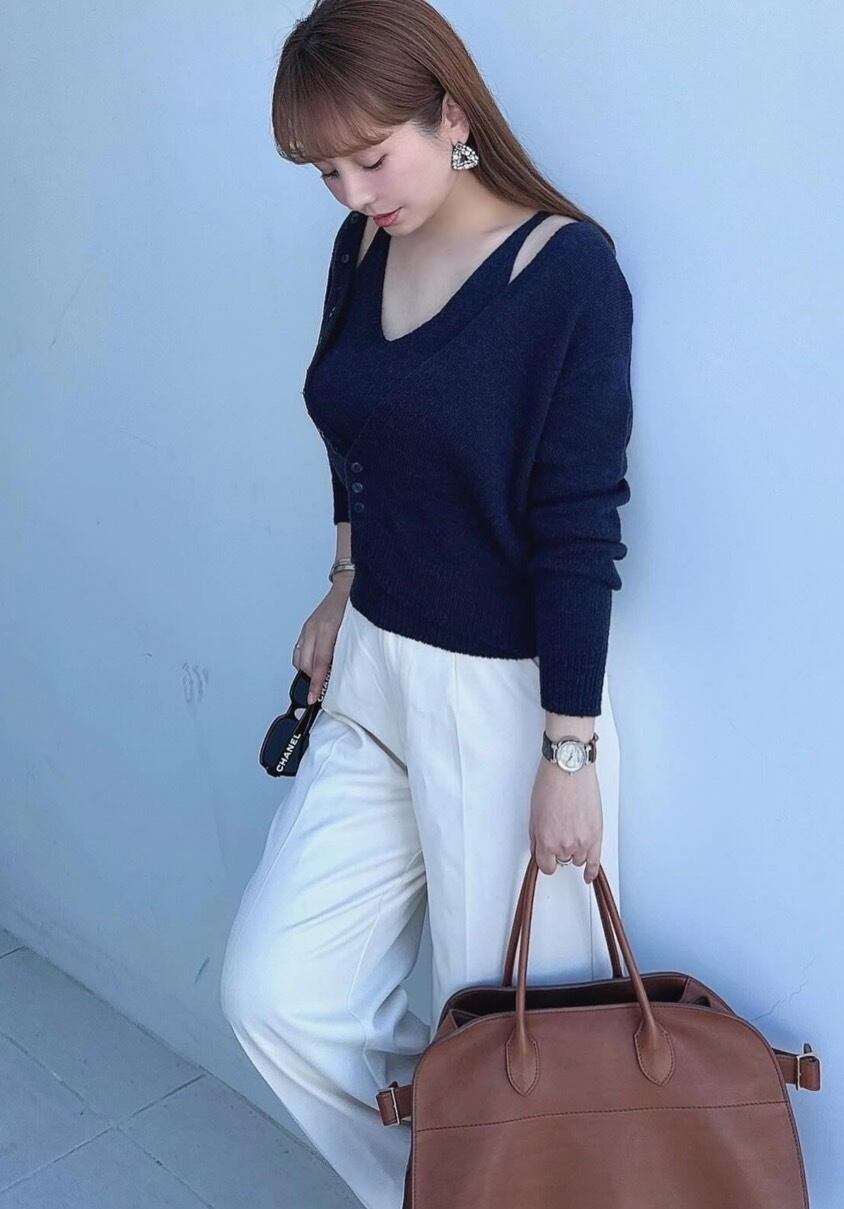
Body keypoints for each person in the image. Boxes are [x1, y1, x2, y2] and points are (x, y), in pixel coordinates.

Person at [220, 1, 634, 1206]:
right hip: (370, 672)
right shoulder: (360, 248)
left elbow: (578, 526)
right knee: (276, 994)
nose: (352, 193)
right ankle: (447, 1182)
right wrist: (343, 580)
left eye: (369, 157)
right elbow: (353, 430)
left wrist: (566, 752)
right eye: (324, 172)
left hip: (500, 700)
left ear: (451, 115)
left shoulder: (564, 273)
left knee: (509, 1038)